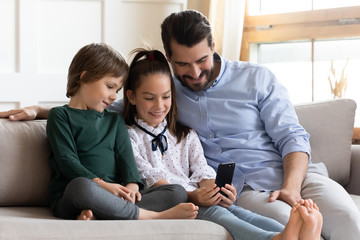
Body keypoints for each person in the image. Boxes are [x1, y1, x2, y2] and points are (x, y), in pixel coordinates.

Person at [1, 9, 359, 239]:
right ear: (170, 59)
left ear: (214, 46)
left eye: (202, 60)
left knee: (345, 219)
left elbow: (293, 137)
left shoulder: (256, 79)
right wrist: (42, 110)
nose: (195, 72)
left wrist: (293, 187)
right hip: (245, 191)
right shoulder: (158, 92)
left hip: (296, 176)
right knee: (284, 221)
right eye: (183, 65)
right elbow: (98, 107)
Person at [123, 48, 323, 240]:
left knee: (239, 212)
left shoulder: (185, 134)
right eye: (149, 98)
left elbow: (201, 168)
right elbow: (149, 177)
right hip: (175, 202)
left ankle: (297, 231)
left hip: (199, 197)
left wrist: (216, 191)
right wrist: (194, 196)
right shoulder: (128, 136)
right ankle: (275, 238)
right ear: (131, 97)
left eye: (166, 97)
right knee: (221, 217)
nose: (159, 106)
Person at [45, 43, 198, 221]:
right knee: (81, 187)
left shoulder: (114, 120)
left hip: (115, 195)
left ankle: (103, 212)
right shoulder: (59, 116)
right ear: (85, 78)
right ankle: (150, 216)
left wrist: (132, 186)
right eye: (110, 86)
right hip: (75, 194)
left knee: (177, 192)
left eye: (117, 90)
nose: (113, 96)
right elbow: (67, 162)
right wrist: (104, 186)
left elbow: (126, 160)